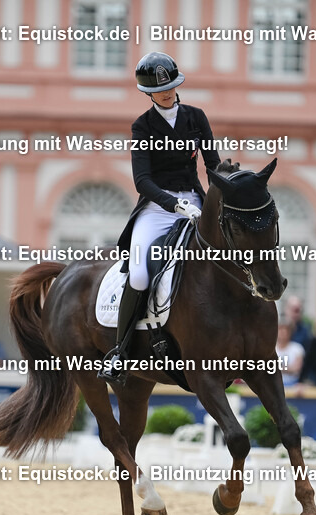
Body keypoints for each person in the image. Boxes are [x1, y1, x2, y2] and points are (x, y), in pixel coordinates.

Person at [99, 51, 220, 385]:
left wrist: (219, 198)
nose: (166, 93)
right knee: (138, 274)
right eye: (159, 90)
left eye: (171, 87)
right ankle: (121, 352)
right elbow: (142, 181)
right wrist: (173, 204)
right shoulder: (143, 126)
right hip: (156, 209)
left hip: (196, 202)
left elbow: (212, 165)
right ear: (148, 92)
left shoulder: (196, 117)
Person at [275, 321, 305, 387]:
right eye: (280, 330)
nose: (282, 333)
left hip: (292, 384)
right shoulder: (269, 348)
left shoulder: (297, 348)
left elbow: (296, 369)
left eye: (285, 330)